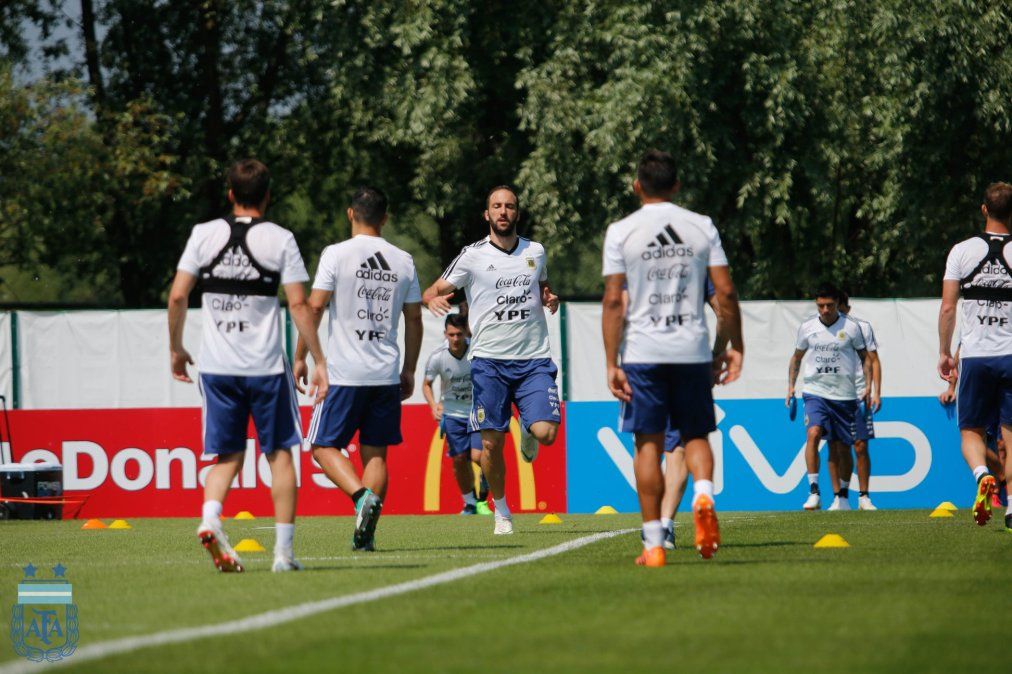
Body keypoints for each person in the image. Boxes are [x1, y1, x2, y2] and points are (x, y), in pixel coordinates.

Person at [167, 158, 328, 573]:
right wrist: (319, 359)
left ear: (231, 194)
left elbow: (178, 297)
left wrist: (176, 348)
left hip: (218, 368)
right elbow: (297, 302)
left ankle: (209, 518)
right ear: (268, 195)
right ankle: (283, 555)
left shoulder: (203, 234)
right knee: (279, 457)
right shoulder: (281, 239)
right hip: (265, 369)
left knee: (227, 457)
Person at [602, 149, 743, 567]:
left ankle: (653, 546)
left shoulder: (622, 231)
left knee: (647, 443)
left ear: (637, 186)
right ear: (677, 186)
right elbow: (726, 294)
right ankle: (703, 494)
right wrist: (736, 346)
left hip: (644, 353)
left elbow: (613, 301)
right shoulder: (701, 227)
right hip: (692, 351)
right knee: (696, 436)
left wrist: (612, 361)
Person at [422, 185, 561, 536]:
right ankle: (501, 513)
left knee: (546, 434)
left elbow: (542, 286)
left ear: (517, 213)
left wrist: (549, 297)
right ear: (487, 214)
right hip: (488, 364)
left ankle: (529, 429)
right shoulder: (471, 256)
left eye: (509, 206)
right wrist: (429, 299)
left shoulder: (536, 251)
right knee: (489, 444)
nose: (503, 212)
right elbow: (433, 289)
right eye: (496, 206)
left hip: (533, 359)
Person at [294, 186, 423, 550]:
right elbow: (414, 319)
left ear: (351, 214)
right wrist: (409, 369)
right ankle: (365, 536)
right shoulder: (403, 260)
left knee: (321, 446)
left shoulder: (336, 254)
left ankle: (360, 498)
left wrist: (302, 356)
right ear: (385, 217)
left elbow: (315, 308)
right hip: (385, 373)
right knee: (376, 454)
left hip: (344, 373)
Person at [938, 182, 1012, 530]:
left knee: (971, 430)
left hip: (976, 356)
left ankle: (983, 473)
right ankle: (1011, 504)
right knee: (1010, 435)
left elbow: (949, 307)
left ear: (984, 209)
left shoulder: (962, 251)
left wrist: (944, 353)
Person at [643, 278, 725, 549]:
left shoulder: (638, 258)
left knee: (661, 448)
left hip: (649, 363)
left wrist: (614, 363)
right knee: (690, 440)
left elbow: (617, 307)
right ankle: (701, 495)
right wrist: (718, 353)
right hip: (691, 361)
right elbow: (723, 310)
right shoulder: (697, 264)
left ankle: (661, 527)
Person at [787, 285, 870, 511]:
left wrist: (869, 387)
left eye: (830, 306)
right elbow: (796, 358)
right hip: (815, 393)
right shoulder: (807, 327)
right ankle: (814, 492)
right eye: (820, 306)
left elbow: (866, 358)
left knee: (844, 448)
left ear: (837, 305)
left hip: (845, 396)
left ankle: (843, 497)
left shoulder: (852, 327)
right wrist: (790, 388)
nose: (825, 310)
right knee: (813, 433)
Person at [422, 313, 491, 515]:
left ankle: (485, 485)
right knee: (460, 459)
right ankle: (470, 503)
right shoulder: (437, 357)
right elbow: (426, 384)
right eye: (451, 334)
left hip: (477, 411)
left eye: (459, 334)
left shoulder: (478, 352)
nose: (455, 339)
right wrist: (433, 405)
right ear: (445, 334)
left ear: (465, 334)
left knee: (478, 456)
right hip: (452, 414)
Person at [836, 292, 881, 510]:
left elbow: (874, 361)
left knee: (861, 445)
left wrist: (876, 392)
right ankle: (841, 497)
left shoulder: (862, 327)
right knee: (839, 447)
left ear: (846, 307)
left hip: (859, 394)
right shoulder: (824, 329)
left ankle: (864, 497)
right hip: (835, 396)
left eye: (840, 307)